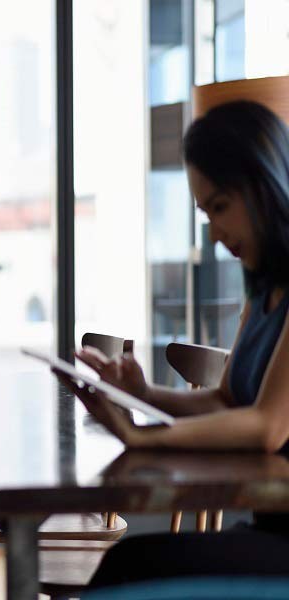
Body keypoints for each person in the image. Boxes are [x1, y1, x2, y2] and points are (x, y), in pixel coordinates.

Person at [61, 100, 289, 586]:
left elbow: (266, 428)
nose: (214, 231)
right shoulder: (263, 286)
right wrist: (142, 396)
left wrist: (141, 437)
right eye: (205, 212)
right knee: (125, 566)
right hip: (269, 531)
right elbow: (226, 401)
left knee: (126, 571)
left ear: (265, 184)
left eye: (221, 206)